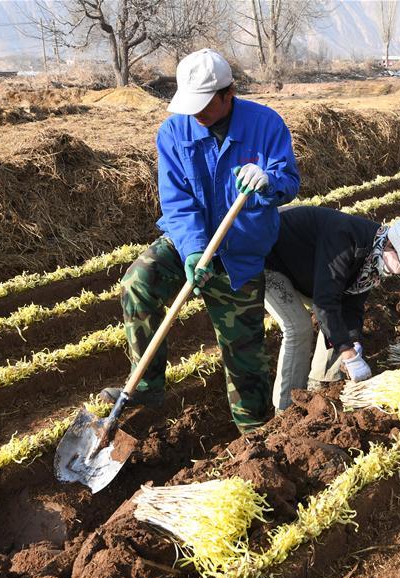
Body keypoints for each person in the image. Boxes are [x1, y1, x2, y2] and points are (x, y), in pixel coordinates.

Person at [101, 49, 300, 434]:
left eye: (205, 104)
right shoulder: (174, 133)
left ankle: (256, 438)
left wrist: (268, 181)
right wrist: (193, 250)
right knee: (137, 282)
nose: (197, 113)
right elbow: (177, 201)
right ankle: (146, 384)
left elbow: (289, 181)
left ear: (229, 93)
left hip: (240, 253)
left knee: (243, 358)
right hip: (188, 242)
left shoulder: (265, 124)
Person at [264, 208, 400, 411]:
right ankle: (286, 407)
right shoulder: (345, 238)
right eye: (398, 263)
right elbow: (324, 301)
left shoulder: (374, 259)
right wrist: (345, 351)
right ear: (390, 244)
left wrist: (353, 342)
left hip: (308, 271)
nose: (394, 272)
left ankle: (322, 383)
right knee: (298, 327)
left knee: (340, 325)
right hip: (271, 259)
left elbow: (352, 304)